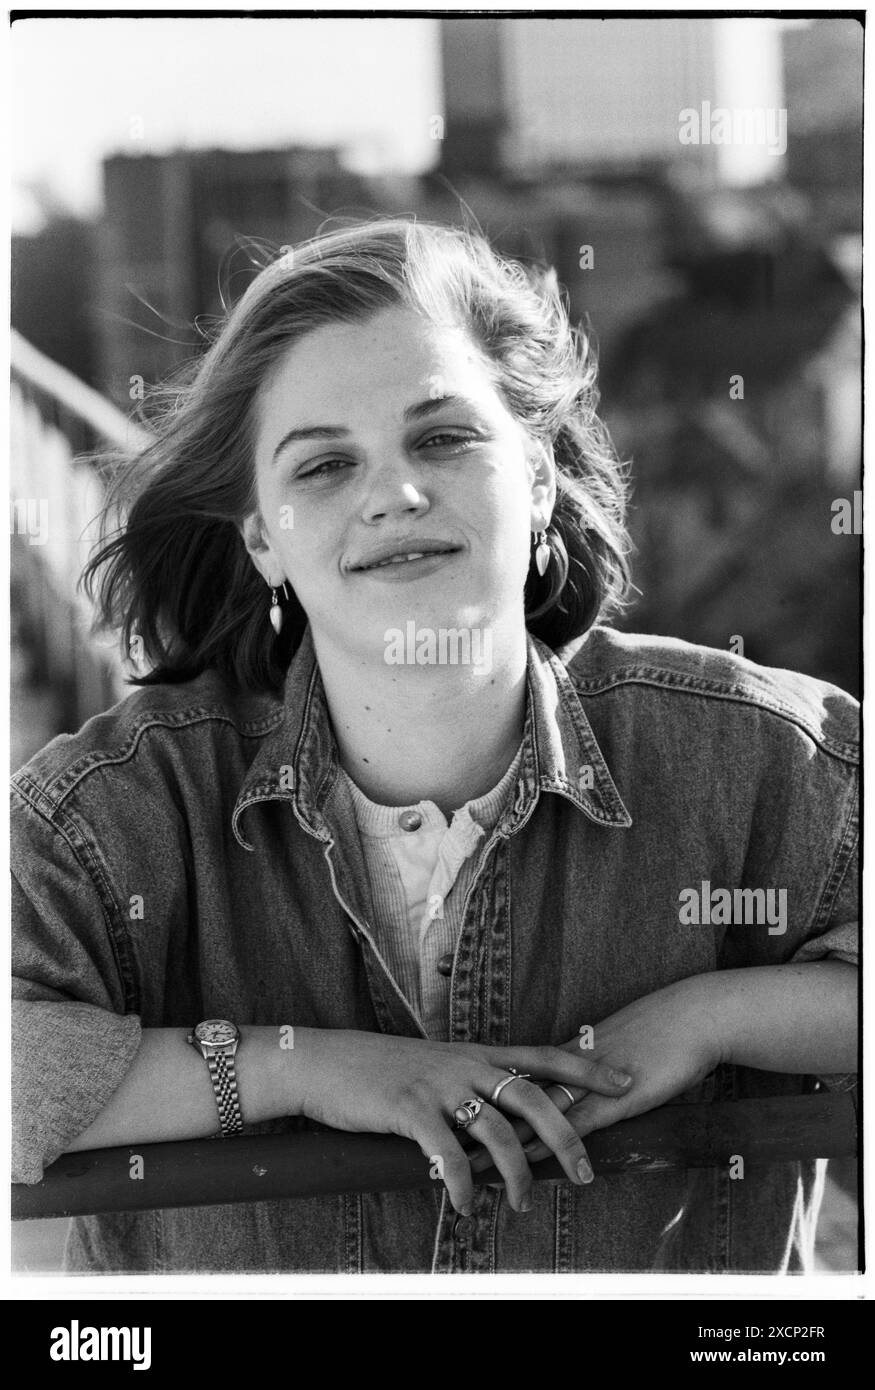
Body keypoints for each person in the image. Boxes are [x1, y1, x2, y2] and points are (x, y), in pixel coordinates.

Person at [11, 219, 858, 1275]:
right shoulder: (109, 814)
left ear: (539, 475)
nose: (392, 494)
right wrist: (302, 1069)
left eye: (443, 437)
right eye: (323, 464)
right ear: (260, 536)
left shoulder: (764, 761)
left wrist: (712, 1014)